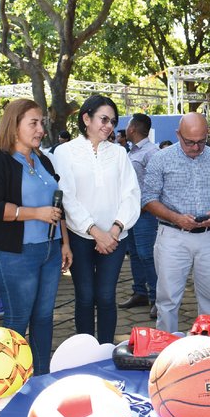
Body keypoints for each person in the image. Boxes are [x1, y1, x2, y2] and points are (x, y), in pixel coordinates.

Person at [0, 99, 72, 375]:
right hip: (15, 254)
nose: (40, 129)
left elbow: (57, 205)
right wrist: (35, 213)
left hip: (50, 251)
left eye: (41, 122)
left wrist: (65, 243)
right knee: (18, 320)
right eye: (33, 123)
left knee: (44, 318)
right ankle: (8, 380)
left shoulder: (42, 159)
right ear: (14, 125)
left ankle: (41, 377)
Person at [53, 95, 140, 344]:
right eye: (103, 119)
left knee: (105, 296)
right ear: (86, 118)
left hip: (115, 238)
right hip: (80, 237)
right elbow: (66, 196)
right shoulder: (65, 152)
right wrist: (94, 231)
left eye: (112, 121)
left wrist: (115, 229)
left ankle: (105, 352)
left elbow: (131, 194)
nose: (109, 126)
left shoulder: (119, 153)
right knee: (85, 296)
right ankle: (85, 354)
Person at [143, 113, 210, 333]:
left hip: (209, 236)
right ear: (178, 134)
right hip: (173, 236)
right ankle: (166, 354)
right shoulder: (161, 158)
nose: (195, 147)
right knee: (167, 300)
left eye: (201, 141)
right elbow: (147, 199)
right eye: (189, 142)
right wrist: (176, 218)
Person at [119, 114, 160, 316]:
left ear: (133, 128)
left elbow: (157, 184)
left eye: (127, 125)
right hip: (130, 213)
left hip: (145, 213)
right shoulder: (131, 151)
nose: (125, 128)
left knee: (147, 255)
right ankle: (140, 293)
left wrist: (145, 205)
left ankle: (157, 298)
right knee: (134, 254)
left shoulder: (151, 152)